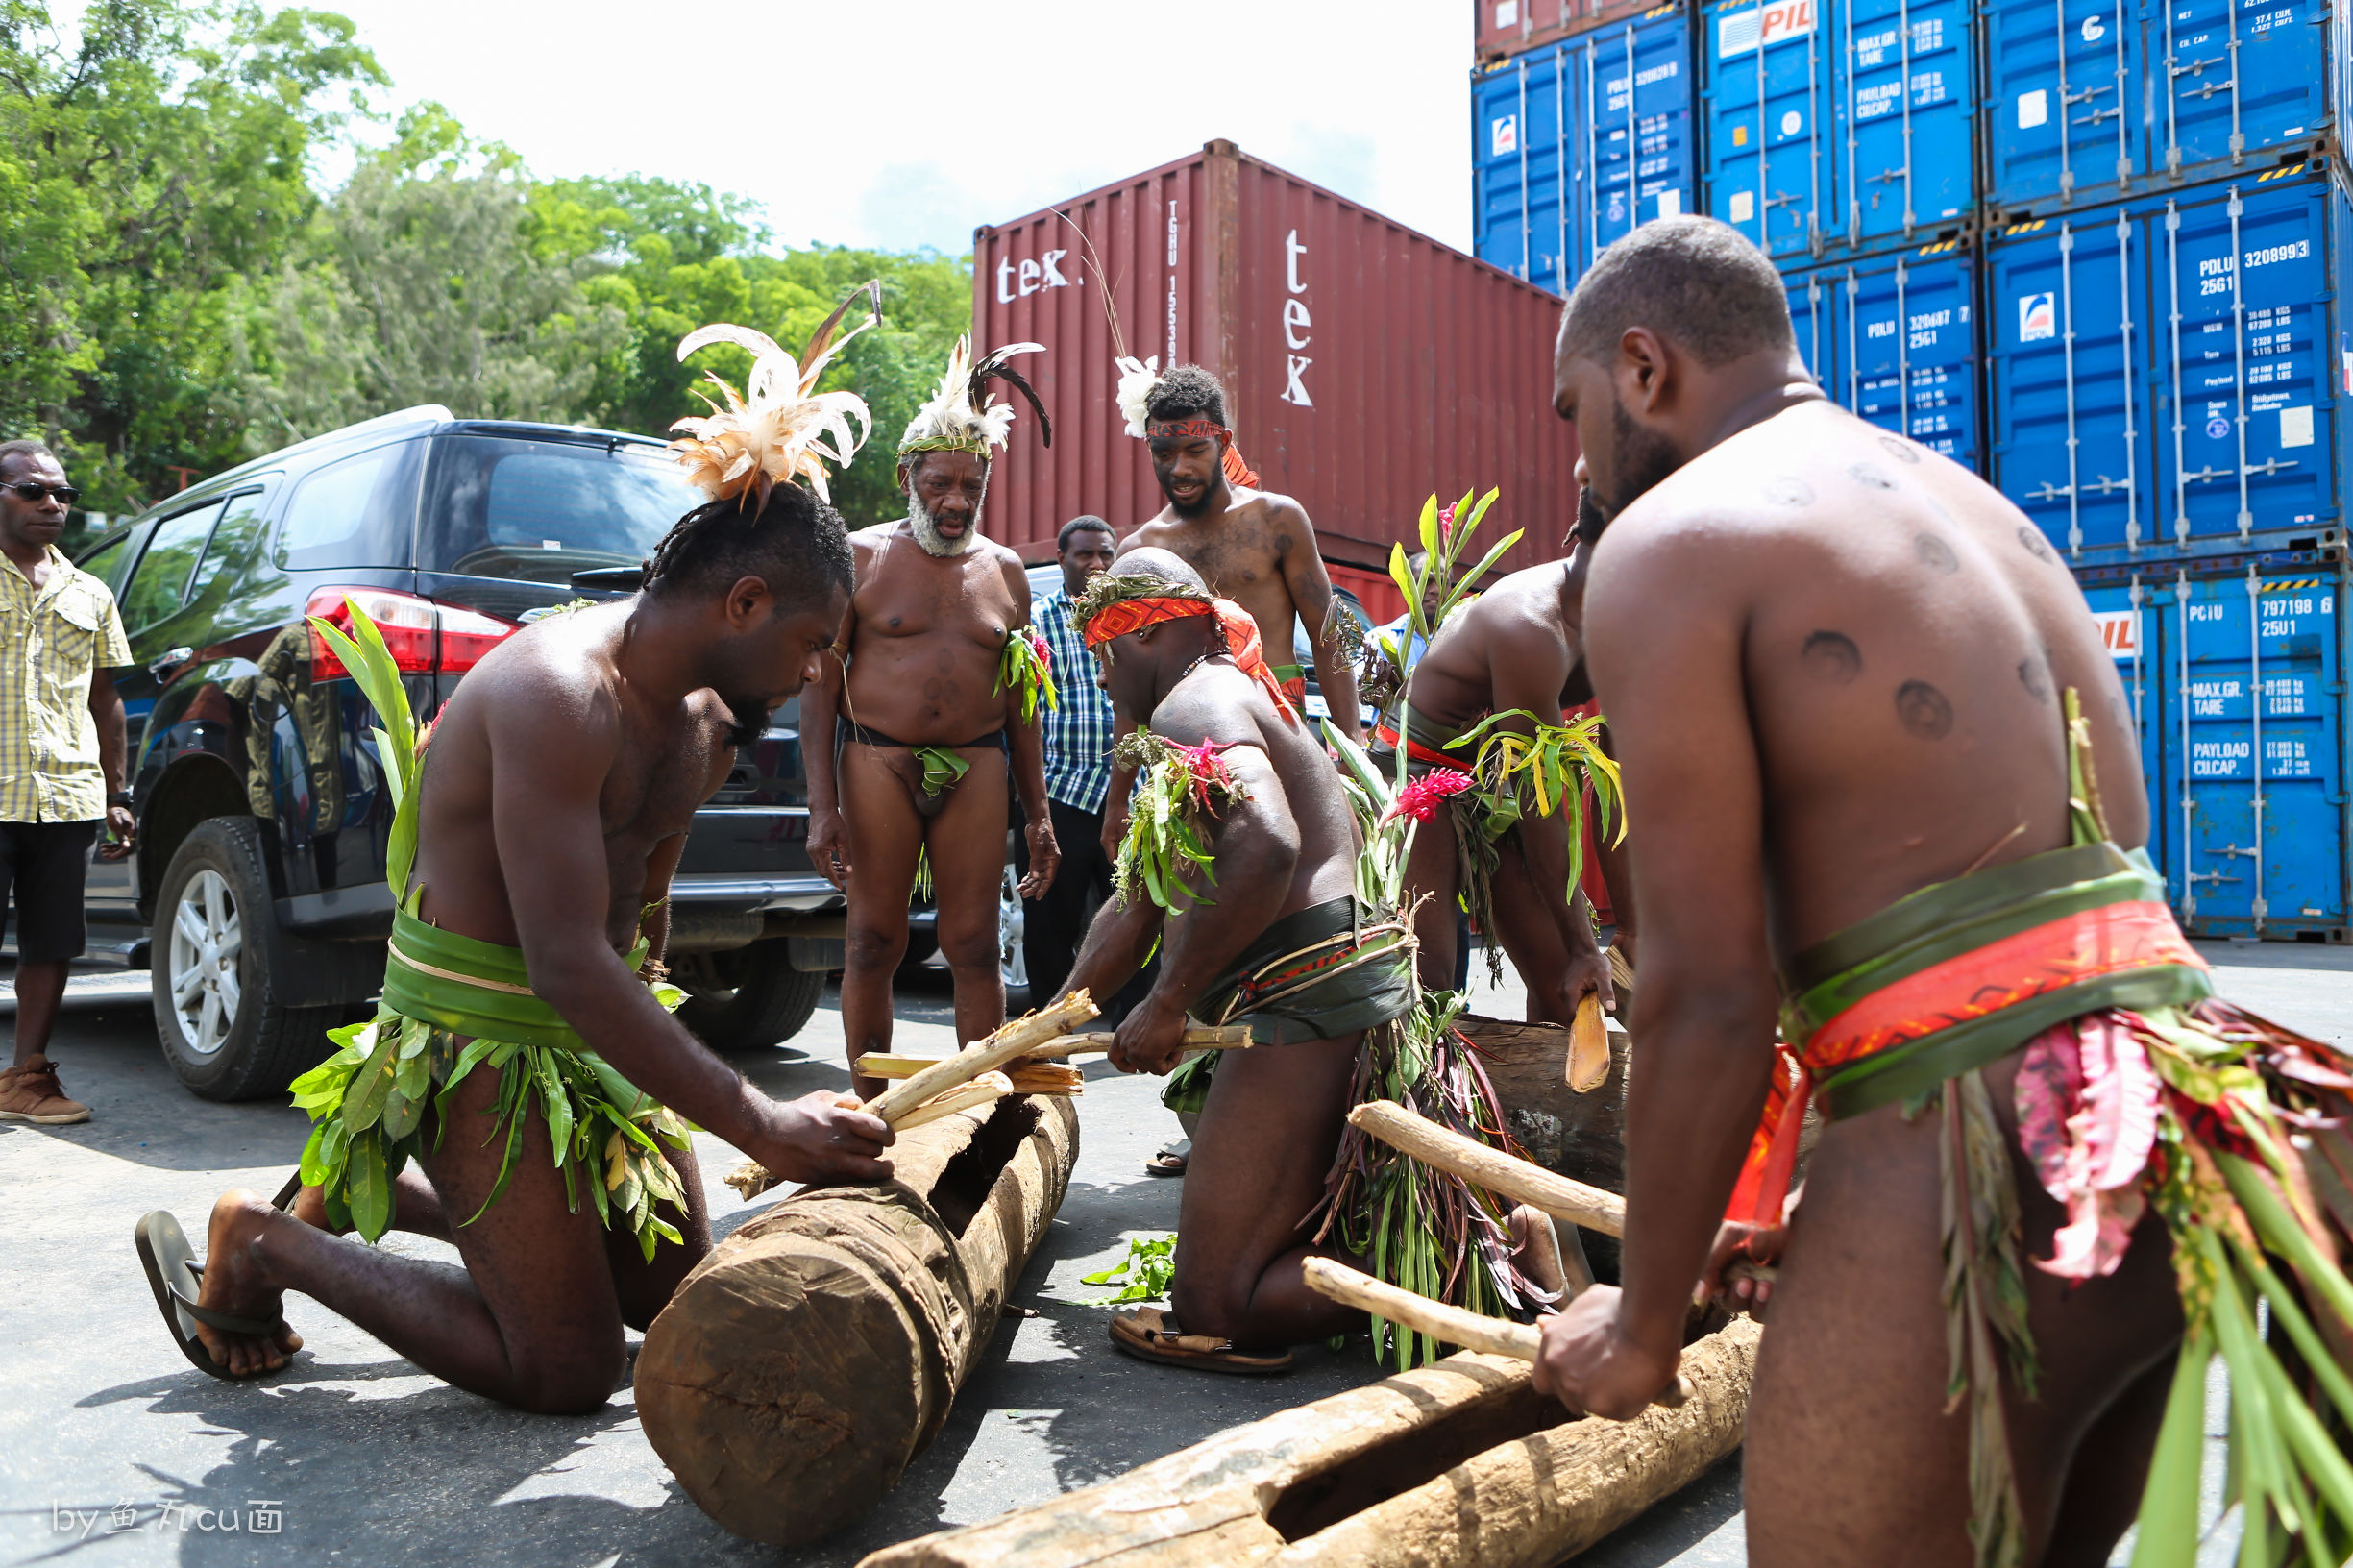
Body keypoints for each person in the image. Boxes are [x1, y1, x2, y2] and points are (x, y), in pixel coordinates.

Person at [1529, 216, 2353, 1567]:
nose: (1578, 460)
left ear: (1641, 368)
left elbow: (1707, 989)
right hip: (2171, 1132)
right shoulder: (1983, 513)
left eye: (1573, 413)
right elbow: (2061, 915)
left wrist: (1641, 1319)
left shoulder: (1672, 543)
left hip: (1971, 1151)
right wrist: (1799, 1205)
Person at [135, 312, 897, 1406]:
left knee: (676, 1295)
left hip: (590, 1027)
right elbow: (563, 963)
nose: (819, 671)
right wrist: (763, 1122)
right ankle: (263, 1239)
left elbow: (643, 913)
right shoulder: (559, 693)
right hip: (478, 1032)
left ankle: (368, 1192)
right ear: (744, 603)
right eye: (814, 643)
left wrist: (655, 1080)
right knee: (566, 1369)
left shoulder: (708, 721)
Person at [1058, 551, 1556, 1373]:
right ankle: (1490, 1241)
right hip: (1322, 991)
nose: (1106, 680)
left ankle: (1489, 1259)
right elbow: (1136, 901)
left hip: (1305, 997)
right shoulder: (1228, 693)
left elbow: (1266, 843)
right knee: (1241, 1263)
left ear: (1139, 635)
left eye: (1102, 656)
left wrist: (1169, 1001)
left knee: (1217, 1308)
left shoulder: (1195, 701)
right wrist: (1043, 1027)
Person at [804, 338, 1060, 1098]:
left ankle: (977, 1110)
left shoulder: (1005, 571)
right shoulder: (859, 557)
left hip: (977, 765)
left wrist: (1038, 814)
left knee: (974, 944)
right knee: (871, 941)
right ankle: (871, 1111)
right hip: (876, 760)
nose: (954, 502)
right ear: (906, 479)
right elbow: (818, 689)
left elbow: (1021, 701)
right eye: (939, 483)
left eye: (970, 488)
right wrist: (821, 808)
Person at [1375, 499, 1628, 1021]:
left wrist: (1630, 926)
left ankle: (1550, 1077)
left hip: (1495, 781)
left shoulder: (1633, 623)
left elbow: (1616, 780)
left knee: (1565, 989)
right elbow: (1539, 803)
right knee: (1426, 988)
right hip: (1421, 776)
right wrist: (1586, 947)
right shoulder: (1531, 623)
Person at [1101, 363, 1362, 860]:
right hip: (1184, 743)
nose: (1179, 469)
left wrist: (1351, 746)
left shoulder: (1276, 519)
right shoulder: (1141, 551)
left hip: (1278, 724)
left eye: (1195, 451)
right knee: (1198, 883)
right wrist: (1119, 800)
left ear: (1222, 442)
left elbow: (1329, 632)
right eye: (1164, 454)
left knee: (1302, 867)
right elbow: (1129, 685)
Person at [0, 440, 135, 1126]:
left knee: (52, 942)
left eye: (62, 494)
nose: (52, 503)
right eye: (33, 490)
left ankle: (26, 1079)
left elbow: (106, 698)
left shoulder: (91, 593)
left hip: (66, 795)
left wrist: (117, 792)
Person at [1017, 515, 1119, 1004]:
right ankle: (1046, 1032)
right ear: (1061, 559)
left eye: (1105, 554)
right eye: (1085, 554)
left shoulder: (1135, 618)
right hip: (1061, 796)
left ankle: (1131, 1029)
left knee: (1135, 924)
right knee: (1050, 930)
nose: (1097, 564)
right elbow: (1020, 713)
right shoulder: (1035, 622)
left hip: (1129, 798)